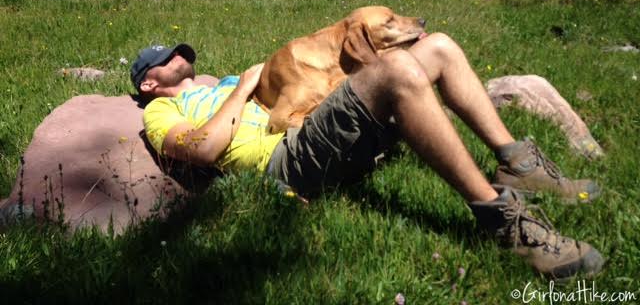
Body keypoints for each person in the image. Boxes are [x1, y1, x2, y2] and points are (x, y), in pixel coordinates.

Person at [131, 34, 604, 279]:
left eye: (179, 51)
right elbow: (207, 148)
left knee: (435, 45)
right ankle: (505, 222)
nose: (176, 54)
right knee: (396, 68)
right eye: (164, 56)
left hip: (309, 128)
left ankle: (518, 164)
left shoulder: (230, 80)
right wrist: (243, 91)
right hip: (286, 161)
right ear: (148, 83)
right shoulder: (163, 110)